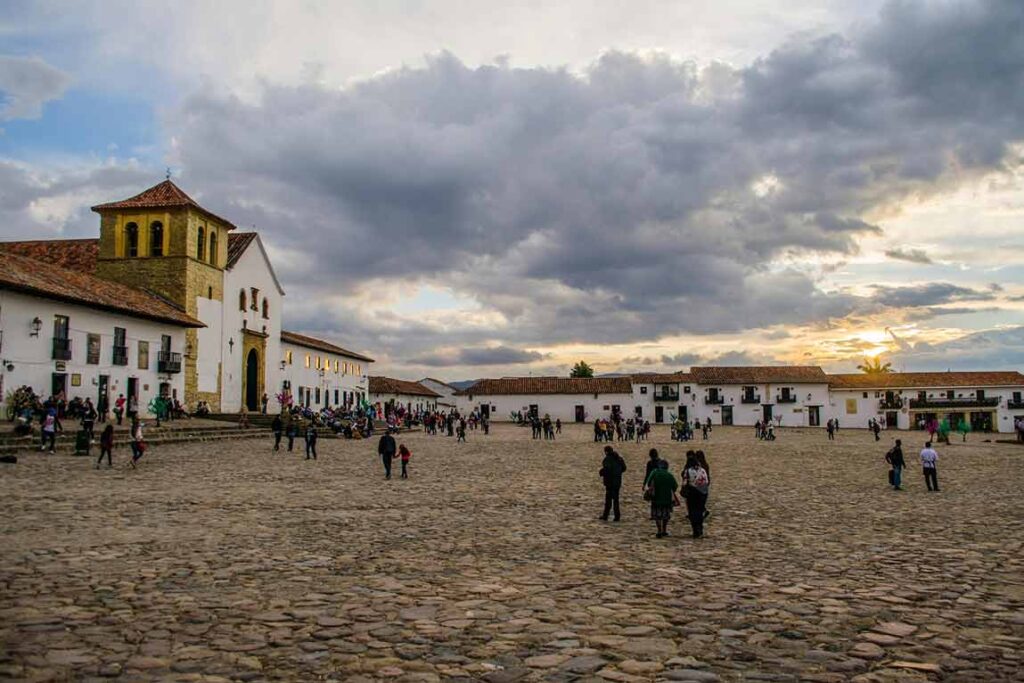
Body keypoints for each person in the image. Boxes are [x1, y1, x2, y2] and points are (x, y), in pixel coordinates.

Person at [645, 459, 678, 538]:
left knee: (657, 515)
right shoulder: (669, 475)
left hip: (656, 498)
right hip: (667, 498)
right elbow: (675, 486)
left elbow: (648, 483)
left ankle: (659, 530)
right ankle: (664, 530)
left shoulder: (654, 473)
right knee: (665, 515)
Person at [681, 452, 710, 539]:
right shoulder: (703, 470)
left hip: (692, 493)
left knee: (692, 512)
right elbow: (707, 481)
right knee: (699, 511)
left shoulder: (688, 471)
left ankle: (695, 530)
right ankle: (700, 529)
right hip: (703, 493)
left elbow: (684, 483)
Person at [599, 445, 627, 521]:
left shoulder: (607, 459)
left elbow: (606, 470)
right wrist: (618, 472)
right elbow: (624, 468)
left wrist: (601, 472)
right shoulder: (619, 459)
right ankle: (617, 516)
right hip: (617, 482)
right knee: (616, 500)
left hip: (609, 482)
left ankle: (605, 515)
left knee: (608, 500)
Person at [644, 449, 662, 519]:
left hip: (652, 483)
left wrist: (645, 483)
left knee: (653, 499)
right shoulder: (661, 462)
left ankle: (653, 514)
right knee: (659, 498)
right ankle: (659, 513)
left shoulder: (650, 463)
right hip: (660, 482)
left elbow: (647, 474)